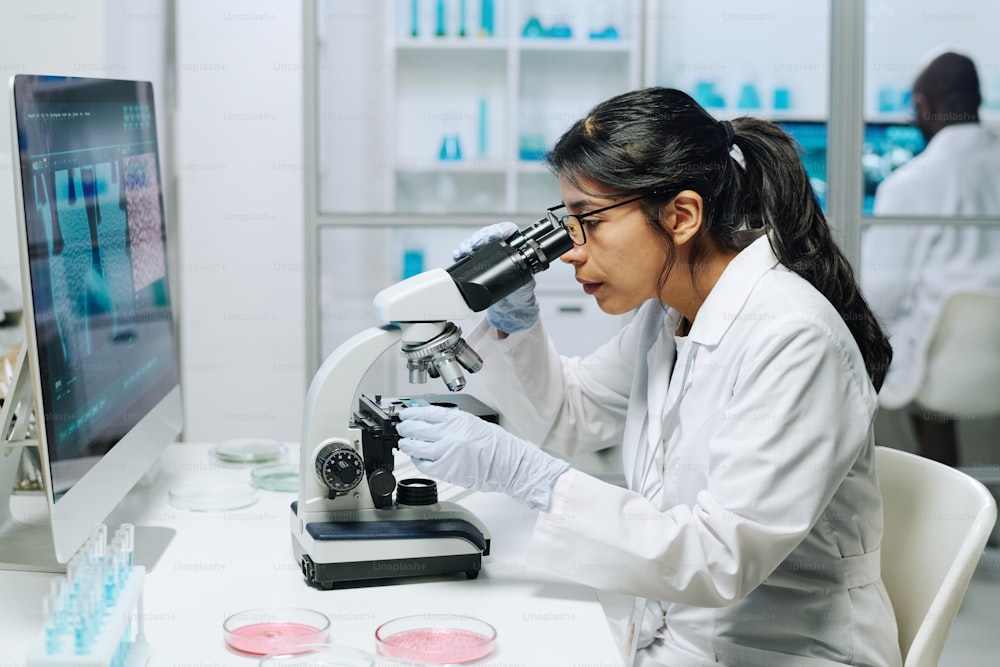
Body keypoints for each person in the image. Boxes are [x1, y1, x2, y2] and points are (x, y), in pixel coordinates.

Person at [397, 87, 902, 666]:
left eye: (589, 221)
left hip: (781, 649)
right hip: (675, 634)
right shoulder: (669, 313)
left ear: (681, 216)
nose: (569, 252)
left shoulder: (794, 337)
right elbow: (570, 415)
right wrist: (513, 323)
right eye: (566, 223)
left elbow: (719, 557)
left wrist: (528, 476)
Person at [864, 50, 1000, 466]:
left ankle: (945, 509)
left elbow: (879, 298)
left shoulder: (910, 184)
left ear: (923, 106)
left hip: (937, 374)